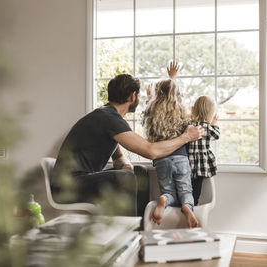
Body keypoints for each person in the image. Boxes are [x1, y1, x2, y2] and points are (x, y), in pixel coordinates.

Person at [51, 73, 203, 217]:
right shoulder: (110, 118)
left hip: (80, 181)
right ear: (133, 96)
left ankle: (140, 227)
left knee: (140, 172)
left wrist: (126, 164)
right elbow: (151, 151)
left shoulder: (107, 116)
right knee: (126, 177)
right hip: (67, 186)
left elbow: (118, 155)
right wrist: (186, 137)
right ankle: (128, 230)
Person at [143, 61, 198, 228]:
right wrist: (172, 79)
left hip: (160, 160)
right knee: (186, 192)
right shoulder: (181, 111)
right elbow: (173, 93)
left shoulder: (152, 112)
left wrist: (150, 99)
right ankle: (188, 208)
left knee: (169, 192)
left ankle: (164, 199)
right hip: (180, 158)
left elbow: (148, 112)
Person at [188, 96, 220, 205]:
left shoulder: (189, 125)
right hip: (202, 163)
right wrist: (214, 123)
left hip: (188, 161)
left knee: (186, 184)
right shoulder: (207, 127)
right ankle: (194, 202)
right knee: (197, 184)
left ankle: (185, 202)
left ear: (193, 109)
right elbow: (216, 135)